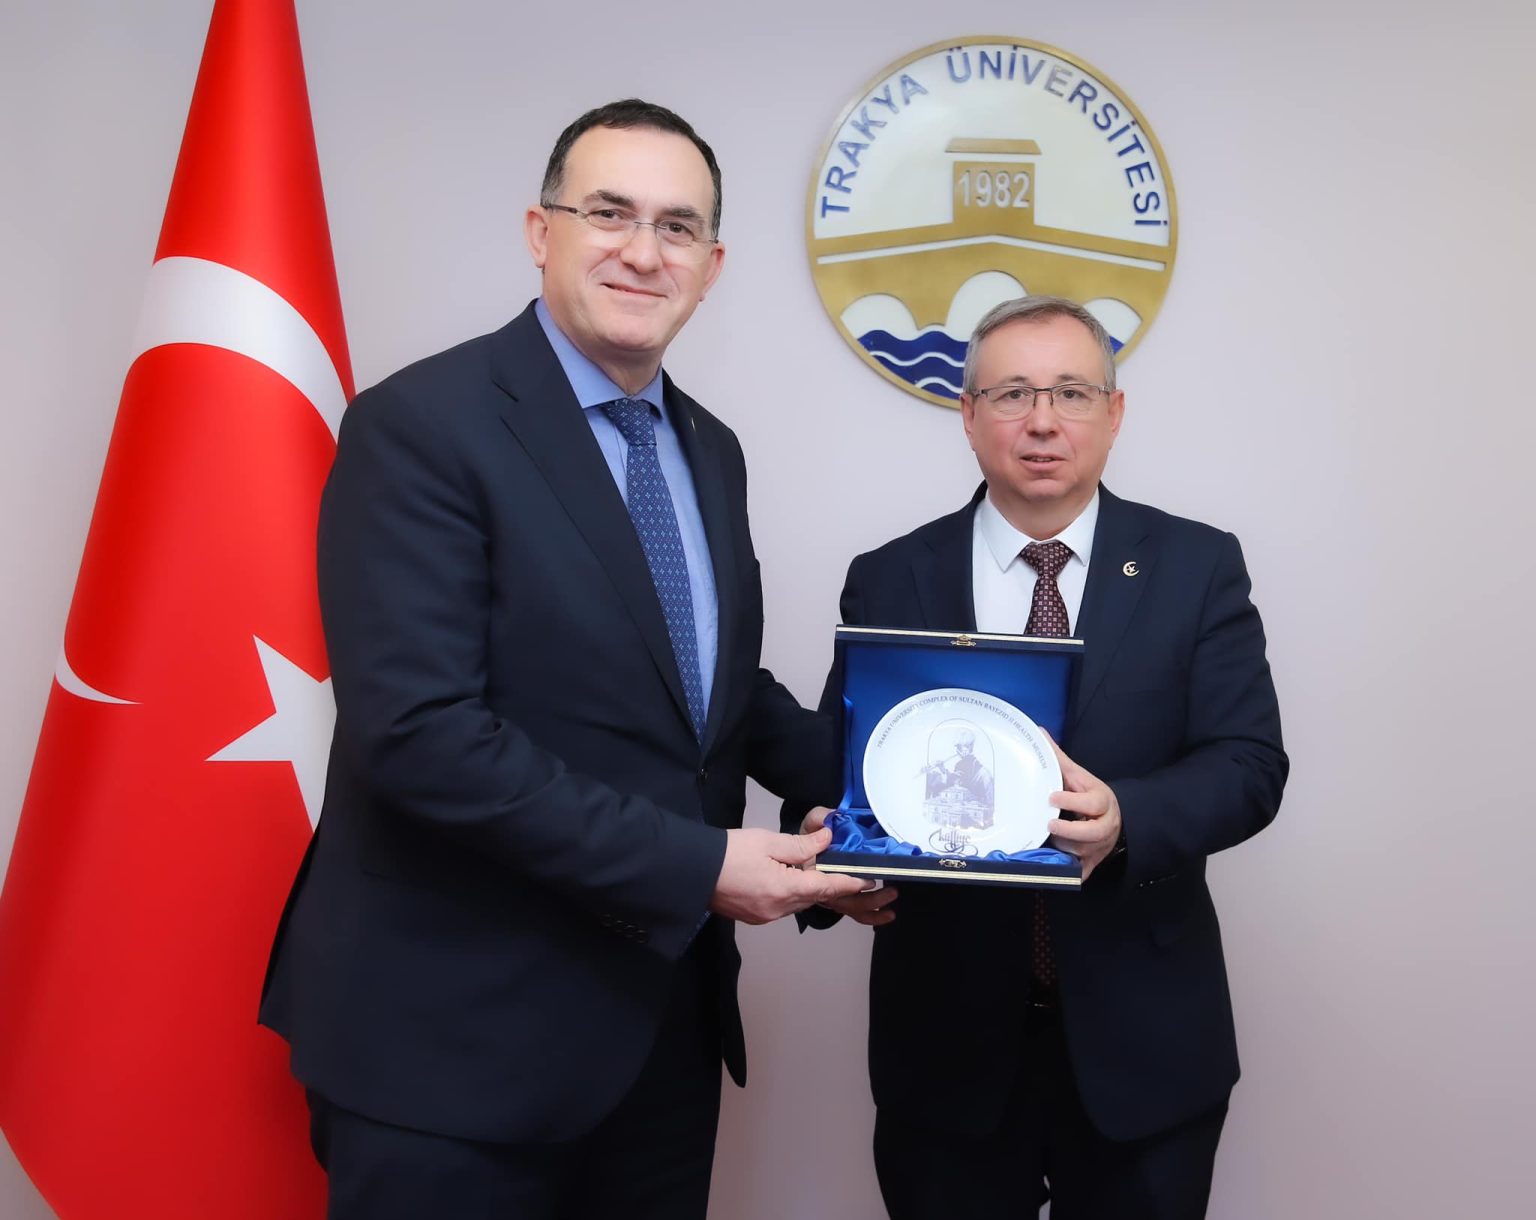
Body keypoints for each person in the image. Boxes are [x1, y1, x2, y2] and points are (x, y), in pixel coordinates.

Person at [260, 98, 865, 1219]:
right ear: (541, 232)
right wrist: (700, 864)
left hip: (660, 1038)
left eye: (678, 226)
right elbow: (422, 736)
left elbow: (707, 689)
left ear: (712, 266)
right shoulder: (421, 425)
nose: (644, 250)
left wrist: (893, 810)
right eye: (609, 213)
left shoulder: (711, 448)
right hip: (453, 1046)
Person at [790, 296, 1287, 1218]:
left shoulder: (1196, 566)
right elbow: (840, 770)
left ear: (1115, 412)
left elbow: (1250, 765)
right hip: (946, 1052)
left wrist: (1127, 819)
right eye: (1013, 393)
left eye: (1072, 392)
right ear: (968, 413)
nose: (1043, 420)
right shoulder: (891, 573)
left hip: (1145, 1048)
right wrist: (830, 855)